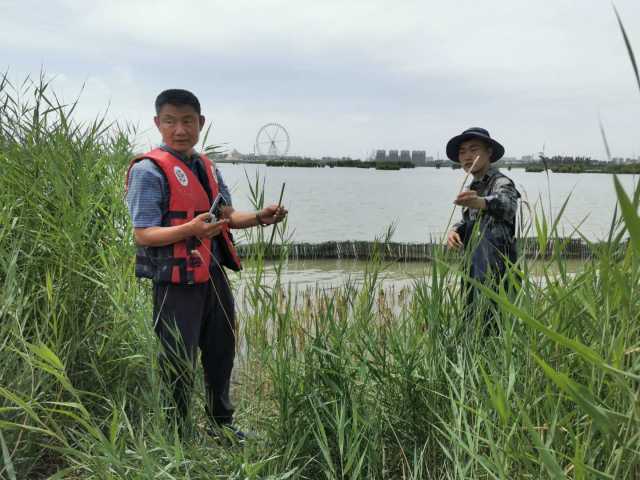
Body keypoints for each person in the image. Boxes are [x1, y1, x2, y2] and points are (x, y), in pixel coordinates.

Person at [125, 89, 287, 438]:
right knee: (177, 359)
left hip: (212, 275)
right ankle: (176, 436)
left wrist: (260, 217)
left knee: (221, 350)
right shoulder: (148, 171)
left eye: (187, 121)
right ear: (157, 123)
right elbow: (143, 233)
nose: (179, 129)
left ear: (200, 123)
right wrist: (191, 229)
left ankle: (221, 426)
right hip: (175, 283)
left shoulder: (208, 167)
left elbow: (227, 215)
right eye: (170, 121)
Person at [445, 127, 520, 331]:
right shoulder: (472, 187)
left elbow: (507, 205)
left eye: (474, 149)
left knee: (496, 325)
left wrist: (481, 202)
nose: (467, 156)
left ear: (489, 153)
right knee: (473, 322)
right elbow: (469, 220)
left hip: (499, 270)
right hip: (474, 267)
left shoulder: (501, 182)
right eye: (462, 152)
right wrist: (455, 231)